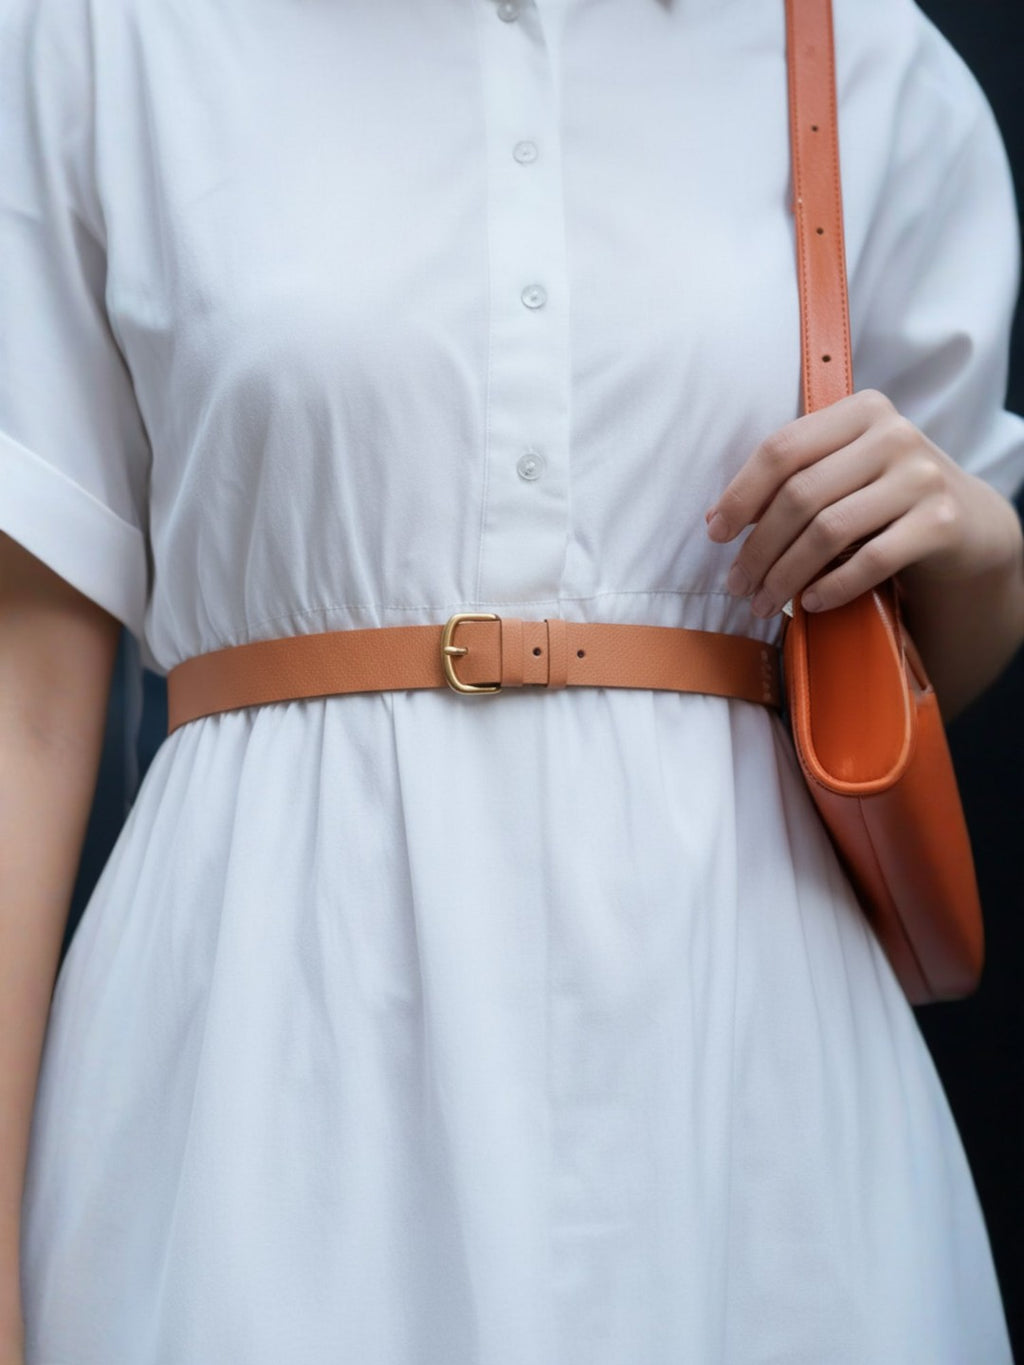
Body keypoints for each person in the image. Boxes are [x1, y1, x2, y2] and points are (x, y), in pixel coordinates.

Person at [1, 0, 1022, 1360]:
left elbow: (904, 683)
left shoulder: (862, 54)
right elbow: (28, 706)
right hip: (264, 1024)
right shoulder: (101, 35)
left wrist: (979, 545)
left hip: (737, 1043)